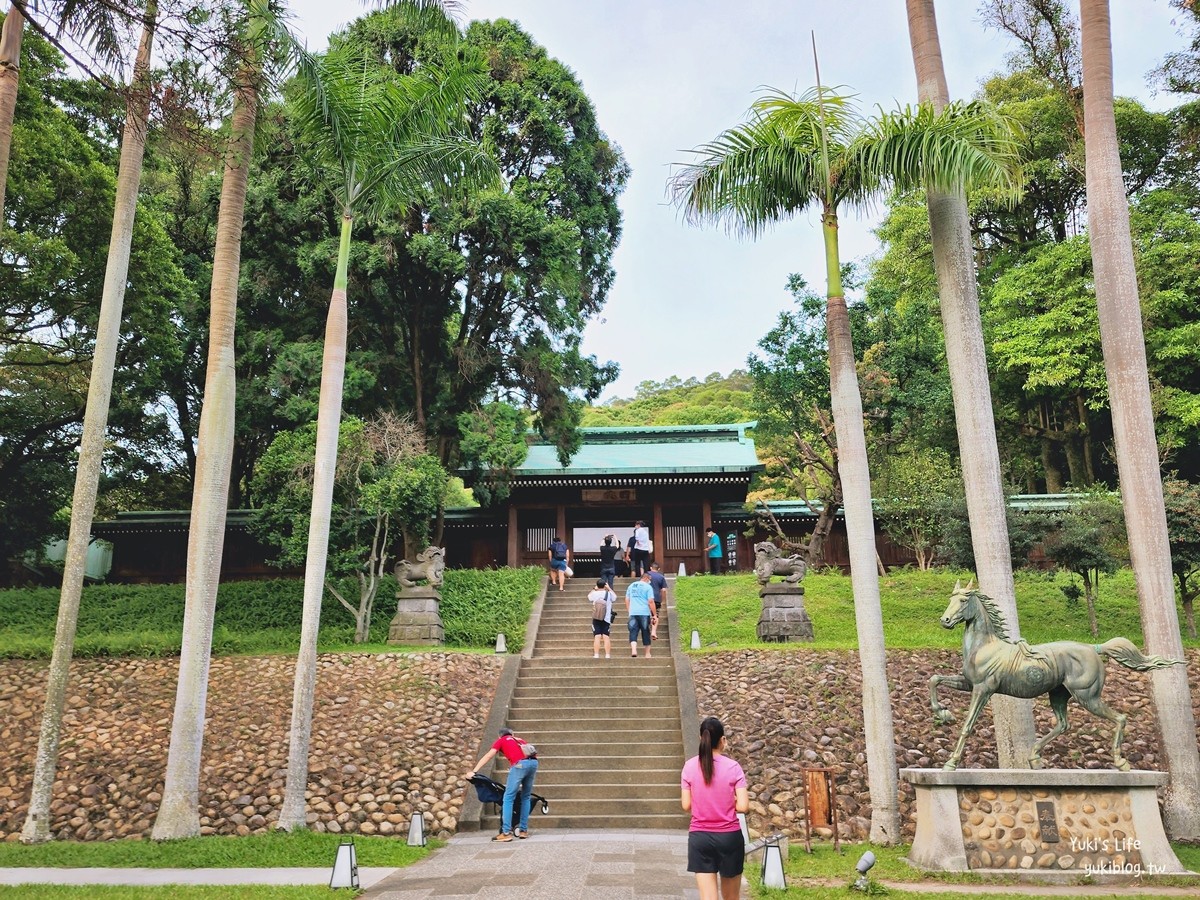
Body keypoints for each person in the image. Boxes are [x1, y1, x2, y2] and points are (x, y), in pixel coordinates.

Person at [681, 717, 749, 900]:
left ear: (701, 738)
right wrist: (728, 800)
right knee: (731, 897)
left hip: (700, 838)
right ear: (723, 740)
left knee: (708, 897)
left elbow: (686, 805)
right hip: (729, 838)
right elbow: (743, 806)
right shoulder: (734, 767)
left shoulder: (689, 767)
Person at [469, 726, 539, 842]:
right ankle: (523, 831)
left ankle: (506, 832)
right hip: (533, 764)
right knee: (525, 797)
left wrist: (474, 771)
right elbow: (524, 756)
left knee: (508, 798)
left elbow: (489, 755)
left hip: (519, 766)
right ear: (512, 734)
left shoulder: (501, 740)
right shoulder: (520, 740)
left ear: (499, 735)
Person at [625, 571, 657, 658]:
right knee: (645, 632)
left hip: (633, 612)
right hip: (644, 612)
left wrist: (629, 611)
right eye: (649, 579)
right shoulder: (648, 587)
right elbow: (650, 601)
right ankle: (647, 653)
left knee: (633, 631)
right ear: (646, 578)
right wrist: (654, 614)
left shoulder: (631, 586)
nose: (650, 581)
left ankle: (634, 650)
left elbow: (627, 599)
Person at [588, 577, 616, 658]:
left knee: (597, 636)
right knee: (606, 636)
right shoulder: (609, 594)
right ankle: (607, 654)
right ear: (605, 585)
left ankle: (596, 654)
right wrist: (609, 588)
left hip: (596, 617)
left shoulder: (594, 594)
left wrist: (594, 589)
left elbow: (589, 597)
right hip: (606, 618)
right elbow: (615, 598)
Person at [647, 562, 668, 640]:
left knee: (646, 613)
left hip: (645, 598)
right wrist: (662, 599)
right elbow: (663, 590)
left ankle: (645, 628)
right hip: (656, 598)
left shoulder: (646, 575)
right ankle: (653, 631)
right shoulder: (661, 577)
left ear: (650, 568)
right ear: (658, 569)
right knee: (655, 614)